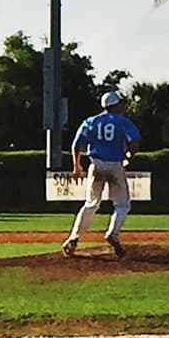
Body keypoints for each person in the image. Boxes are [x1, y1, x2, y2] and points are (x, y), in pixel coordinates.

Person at [62, 90, 141, 258]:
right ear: (114, 105)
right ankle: (113, 233)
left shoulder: (91, 121)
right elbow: (134, 140)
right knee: (122, 205)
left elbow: (76, 145)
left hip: (96, 164)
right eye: (120, 103)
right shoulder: (123, 121)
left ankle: (73, 237)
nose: (122, 105)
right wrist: (130, 156)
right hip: (115, 165)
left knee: (91, 203)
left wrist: (76, 166)